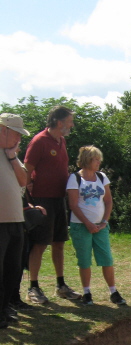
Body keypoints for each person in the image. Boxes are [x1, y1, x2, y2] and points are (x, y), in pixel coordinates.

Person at [24, 105, 81, 304]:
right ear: (59, 122)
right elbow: (26, 170)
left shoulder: (62, 141)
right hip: (42, 200)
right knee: (39, 244)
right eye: (70, 121)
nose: (72, 125)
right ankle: (33, 287)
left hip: (59, 199)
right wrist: (28, 194)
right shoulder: (39, 141)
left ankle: (60, 285)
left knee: (59, 243)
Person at [66, 145, 126, 307]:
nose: (99, 162)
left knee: (106, 258)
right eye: (95, 159)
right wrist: (88, 223)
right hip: (81, 226)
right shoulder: (74, 178)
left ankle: (113, 292)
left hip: (101, 227)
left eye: (99, 159)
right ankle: (87, 292)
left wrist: (104, 221)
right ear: (87, 160)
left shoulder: (101, 177)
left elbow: (108, 201)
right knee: (84, 260)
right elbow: (73, 204)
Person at [0, 114, 29, 328]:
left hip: (15, 220)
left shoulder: (11, 154)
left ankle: (4, 308)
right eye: (17, 134)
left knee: (13, 268)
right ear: (3, 130)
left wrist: (12, 158)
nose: (19, 138)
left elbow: (23, 180)